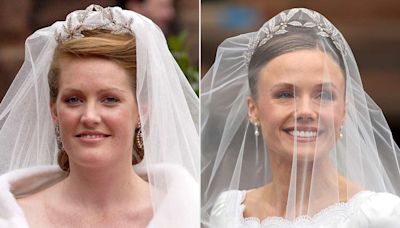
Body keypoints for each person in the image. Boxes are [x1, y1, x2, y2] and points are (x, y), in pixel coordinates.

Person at [0, 5, 199, 228]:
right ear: (54, 111)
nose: (90, 116)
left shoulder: (189, 215)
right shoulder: (12, 218)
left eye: (110, 99)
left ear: (141, 112)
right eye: (73, 100)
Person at [201, 8, 400, 228]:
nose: (305, 111)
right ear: (253, 109)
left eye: (324, 95)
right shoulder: (228, 213)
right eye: (285, 94)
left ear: (344, 111)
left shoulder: (381, 216)